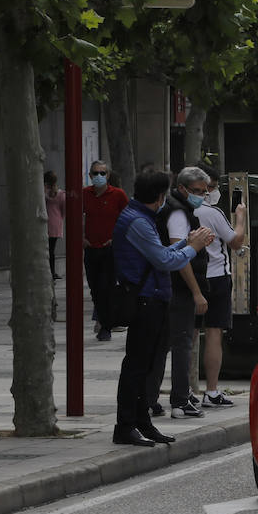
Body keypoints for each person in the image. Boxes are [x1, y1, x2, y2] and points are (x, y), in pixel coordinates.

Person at [111, 170, 214, 446]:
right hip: (146, 300)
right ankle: (126, 425)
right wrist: (192, 248)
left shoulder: (142, 218)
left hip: (154, 299)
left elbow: (162, 253)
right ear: (159, 196)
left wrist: (187, 242)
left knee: (146, 366)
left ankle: (142, 423)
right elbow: (164, 261)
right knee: (137, 366)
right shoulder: (138, 222)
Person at [148, 166, 212, 420]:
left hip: (167, 287)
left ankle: (150, 399)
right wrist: (197, 292)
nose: (201, 196)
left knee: (163, 345)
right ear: (183, 188)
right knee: (182, 344)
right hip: (179, 289)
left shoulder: (176, 208)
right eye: (196, 191)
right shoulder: (178, 213)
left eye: (204, 191)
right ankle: (180, 400)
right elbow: (179, 255)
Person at [194, 164, 246, 408]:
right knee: (214, 334)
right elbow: (235, 242)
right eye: (209, 187)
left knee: (188, 335)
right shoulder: (213, 213)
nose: (211, 192)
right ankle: (211, 391)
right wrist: (240, 217)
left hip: (191, 276)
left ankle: (185, 391)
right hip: (217, 277)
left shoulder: (179, 212)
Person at [82, 160, 128, 341]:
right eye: (95, 173)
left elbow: (127, 219)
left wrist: (117, 239)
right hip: (91, 248)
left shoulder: (118, 195)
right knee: (95, 288)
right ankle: (102, 319)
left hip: (111, 249)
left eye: (102, 173)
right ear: (90, 176)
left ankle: (106, 325)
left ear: (108, 175)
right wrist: (81, 238)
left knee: (107, 287)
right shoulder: (85, 194)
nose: (99, 176)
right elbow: (76, 217)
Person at [44, 171, 64, 280]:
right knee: (52, 249)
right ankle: (52, 272)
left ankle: (48, 271)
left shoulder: (43, 193)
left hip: (45, 223)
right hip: (56, 223)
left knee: (46, 250)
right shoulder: (60, 194)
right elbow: (64, 210)